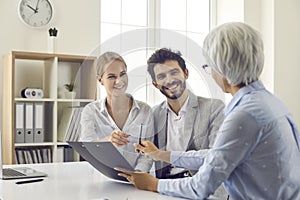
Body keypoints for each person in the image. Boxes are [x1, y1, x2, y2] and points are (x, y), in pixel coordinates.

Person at [116, 22, 300, 199]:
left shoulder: (243, 115)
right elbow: (217, 154)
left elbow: (200, 187)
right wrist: (160, 155)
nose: (211, 73)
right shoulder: (270, 102)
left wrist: (153, 184)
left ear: (223, 69)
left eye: (209, 67)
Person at [146, 48, 227, 198]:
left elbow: (216, 158)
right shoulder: (154, 114)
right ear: (155, 83)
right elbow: (142, 151)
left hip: (204, 189)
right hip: (166, 188)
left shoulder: (214, 108)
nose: (169, 80)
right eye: (162, 76)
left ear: (186, 73)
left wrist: (161, 155)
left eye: (174, 72)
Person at [79, 51, 153, 172]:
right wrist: (108, 140)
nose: (119, 81)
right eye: (111, 76)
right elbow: (87, 147)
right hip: (101, 179)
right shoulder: (91, 111)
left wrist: (138, 175)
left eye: (122, 74)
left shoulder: (145, 111)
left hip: (136, 181)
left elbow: (148, 153)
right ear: (100, 80)